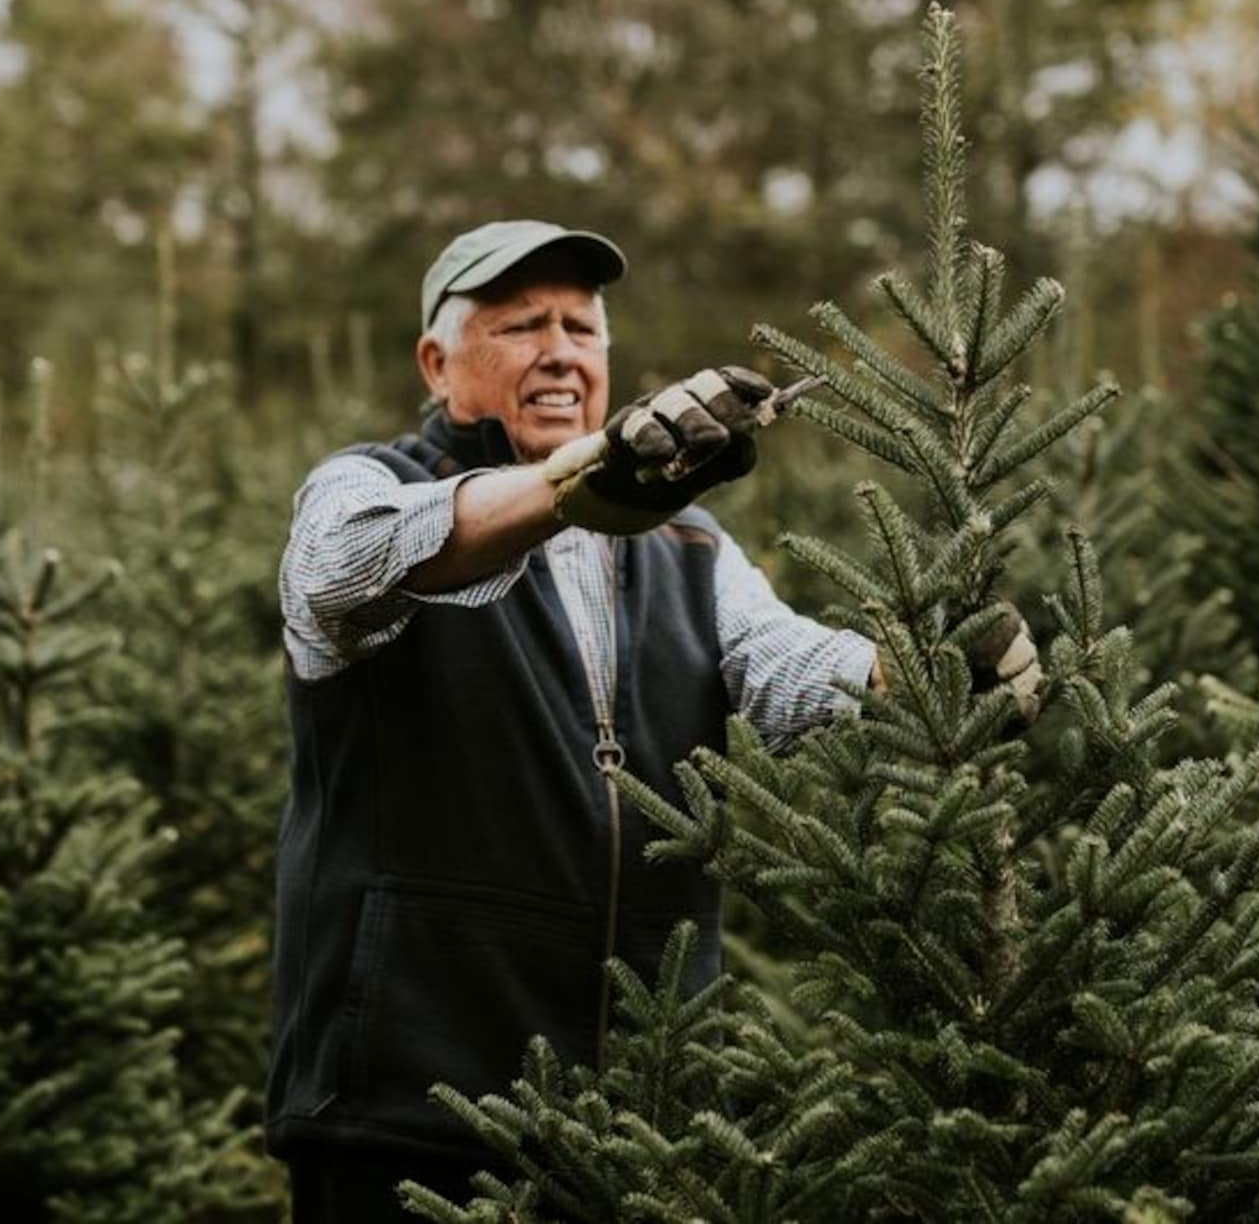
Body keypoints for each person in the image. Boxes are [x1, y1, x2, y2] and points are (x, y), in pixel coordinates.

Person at [267, 220, 876, 1220]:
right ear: (437, 362)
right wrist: (573, 487)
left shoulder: (687, 538)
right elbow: (339, 571)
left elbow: (781, 666)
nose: (559, 350)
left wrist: (917, 673)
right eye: (518, 326)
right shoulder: (367, 487)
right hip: (405, 1108)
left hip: (641, 1114)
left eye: (580, 328)